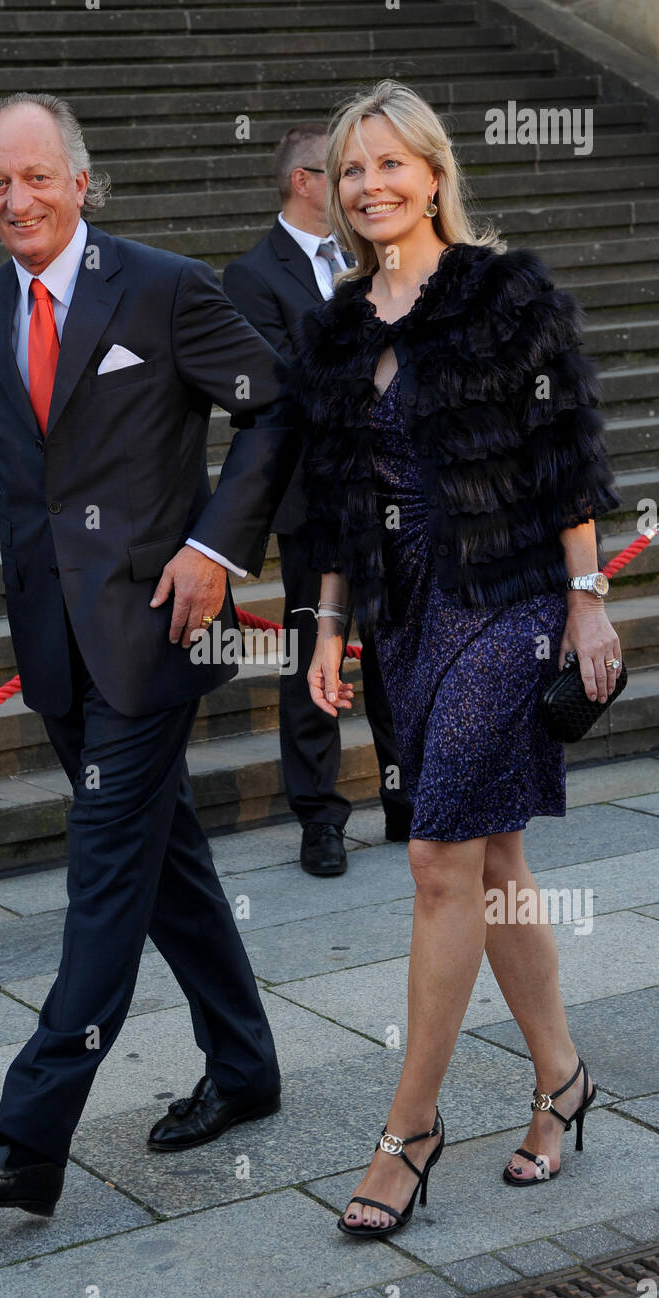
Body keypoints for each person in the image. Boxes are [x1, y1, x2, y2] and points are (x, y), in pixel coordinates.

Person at [0, 91, 297, 1218]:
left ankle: (27, 1138)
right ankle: (248, 1067)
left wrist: (218, 542)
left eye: (33, 177)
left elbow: (275, 407)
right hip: (52, 647)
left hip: (154, 632)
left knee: (104, 878)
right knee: (167, 864)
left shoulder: (160, 287)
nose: (14, 200)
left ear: (80, 181)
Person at [290, 80, 623, 1239]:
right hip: (399, 614)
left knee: (439, 858)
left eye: (389, 163)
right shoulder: (337, 324)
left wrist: (584, 601)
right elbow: (334, 497)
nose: (370, 184)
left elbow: (565, 441)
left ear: (433, 171)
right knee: (492, 865)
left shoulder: (500, 292)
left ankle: (407, 1130)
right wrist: (328, 627)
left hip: (507, 590)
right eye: (350, 170)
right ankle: (563, 1082)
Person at [223, 125, 413, 878]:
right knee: (313, 654)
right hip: (313, 498)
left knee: (397, 650)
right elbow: (276, 390)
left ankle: (410, 801)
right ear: (307, 181)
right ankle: (320, 819)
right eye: (343, 172)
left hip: (400, 492)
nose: (361, 187)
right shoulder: (250, 276)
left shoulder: (379, 258)